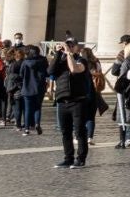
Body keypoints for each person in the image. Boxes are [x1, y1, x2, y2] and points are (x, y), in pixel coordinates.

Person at [50, 37, 95, 168]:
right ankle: (68, 158)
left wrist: (69, 54)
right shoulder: (60, 60)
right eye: (67, 45)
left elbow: (74, 69)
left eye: (71, 45)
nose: (68, 47)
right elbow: (50, 71)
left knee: (80, 131)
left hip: (77, 101)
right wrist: (58, 53)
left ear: (77, 47)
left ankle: (80, 159)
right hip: (62, 101)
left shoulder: (82, 61)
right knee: (65, 132)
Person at [14, 45, 47, 135]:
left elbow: (21, 74)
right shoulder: (43, 60)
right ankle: (37, 124)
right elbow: (47, 73)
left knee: (27, 109)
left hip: (27, 87)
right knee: (37, 107)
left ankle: (27, 128)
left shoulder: (25, 62)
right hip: (40, 87)